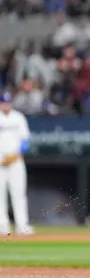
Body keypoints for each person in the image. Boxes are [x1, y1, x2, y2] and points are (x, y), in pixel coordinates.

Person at [0, 92, 33, 236]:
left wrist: (14, 155)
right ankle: (3, 226)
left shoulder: (18, 117)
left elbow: (25, 141)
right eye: (3, 102)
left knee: (19, 194)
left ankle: (22, 225)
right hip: (0, 162)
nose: (6, 105)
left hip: (16, 161)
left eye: (8, 102)